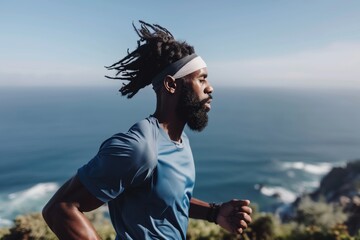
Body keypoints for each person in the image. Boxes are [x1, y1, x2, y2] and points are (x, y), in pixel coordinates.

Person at [42, 21, 252, 240]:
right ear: (171, 85)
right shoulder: (140, 147)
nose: (210, 87)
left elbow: (167, 200)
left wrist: (213, 212)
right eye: (201, 79)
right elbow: (61, 208)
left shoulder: (180, 141)